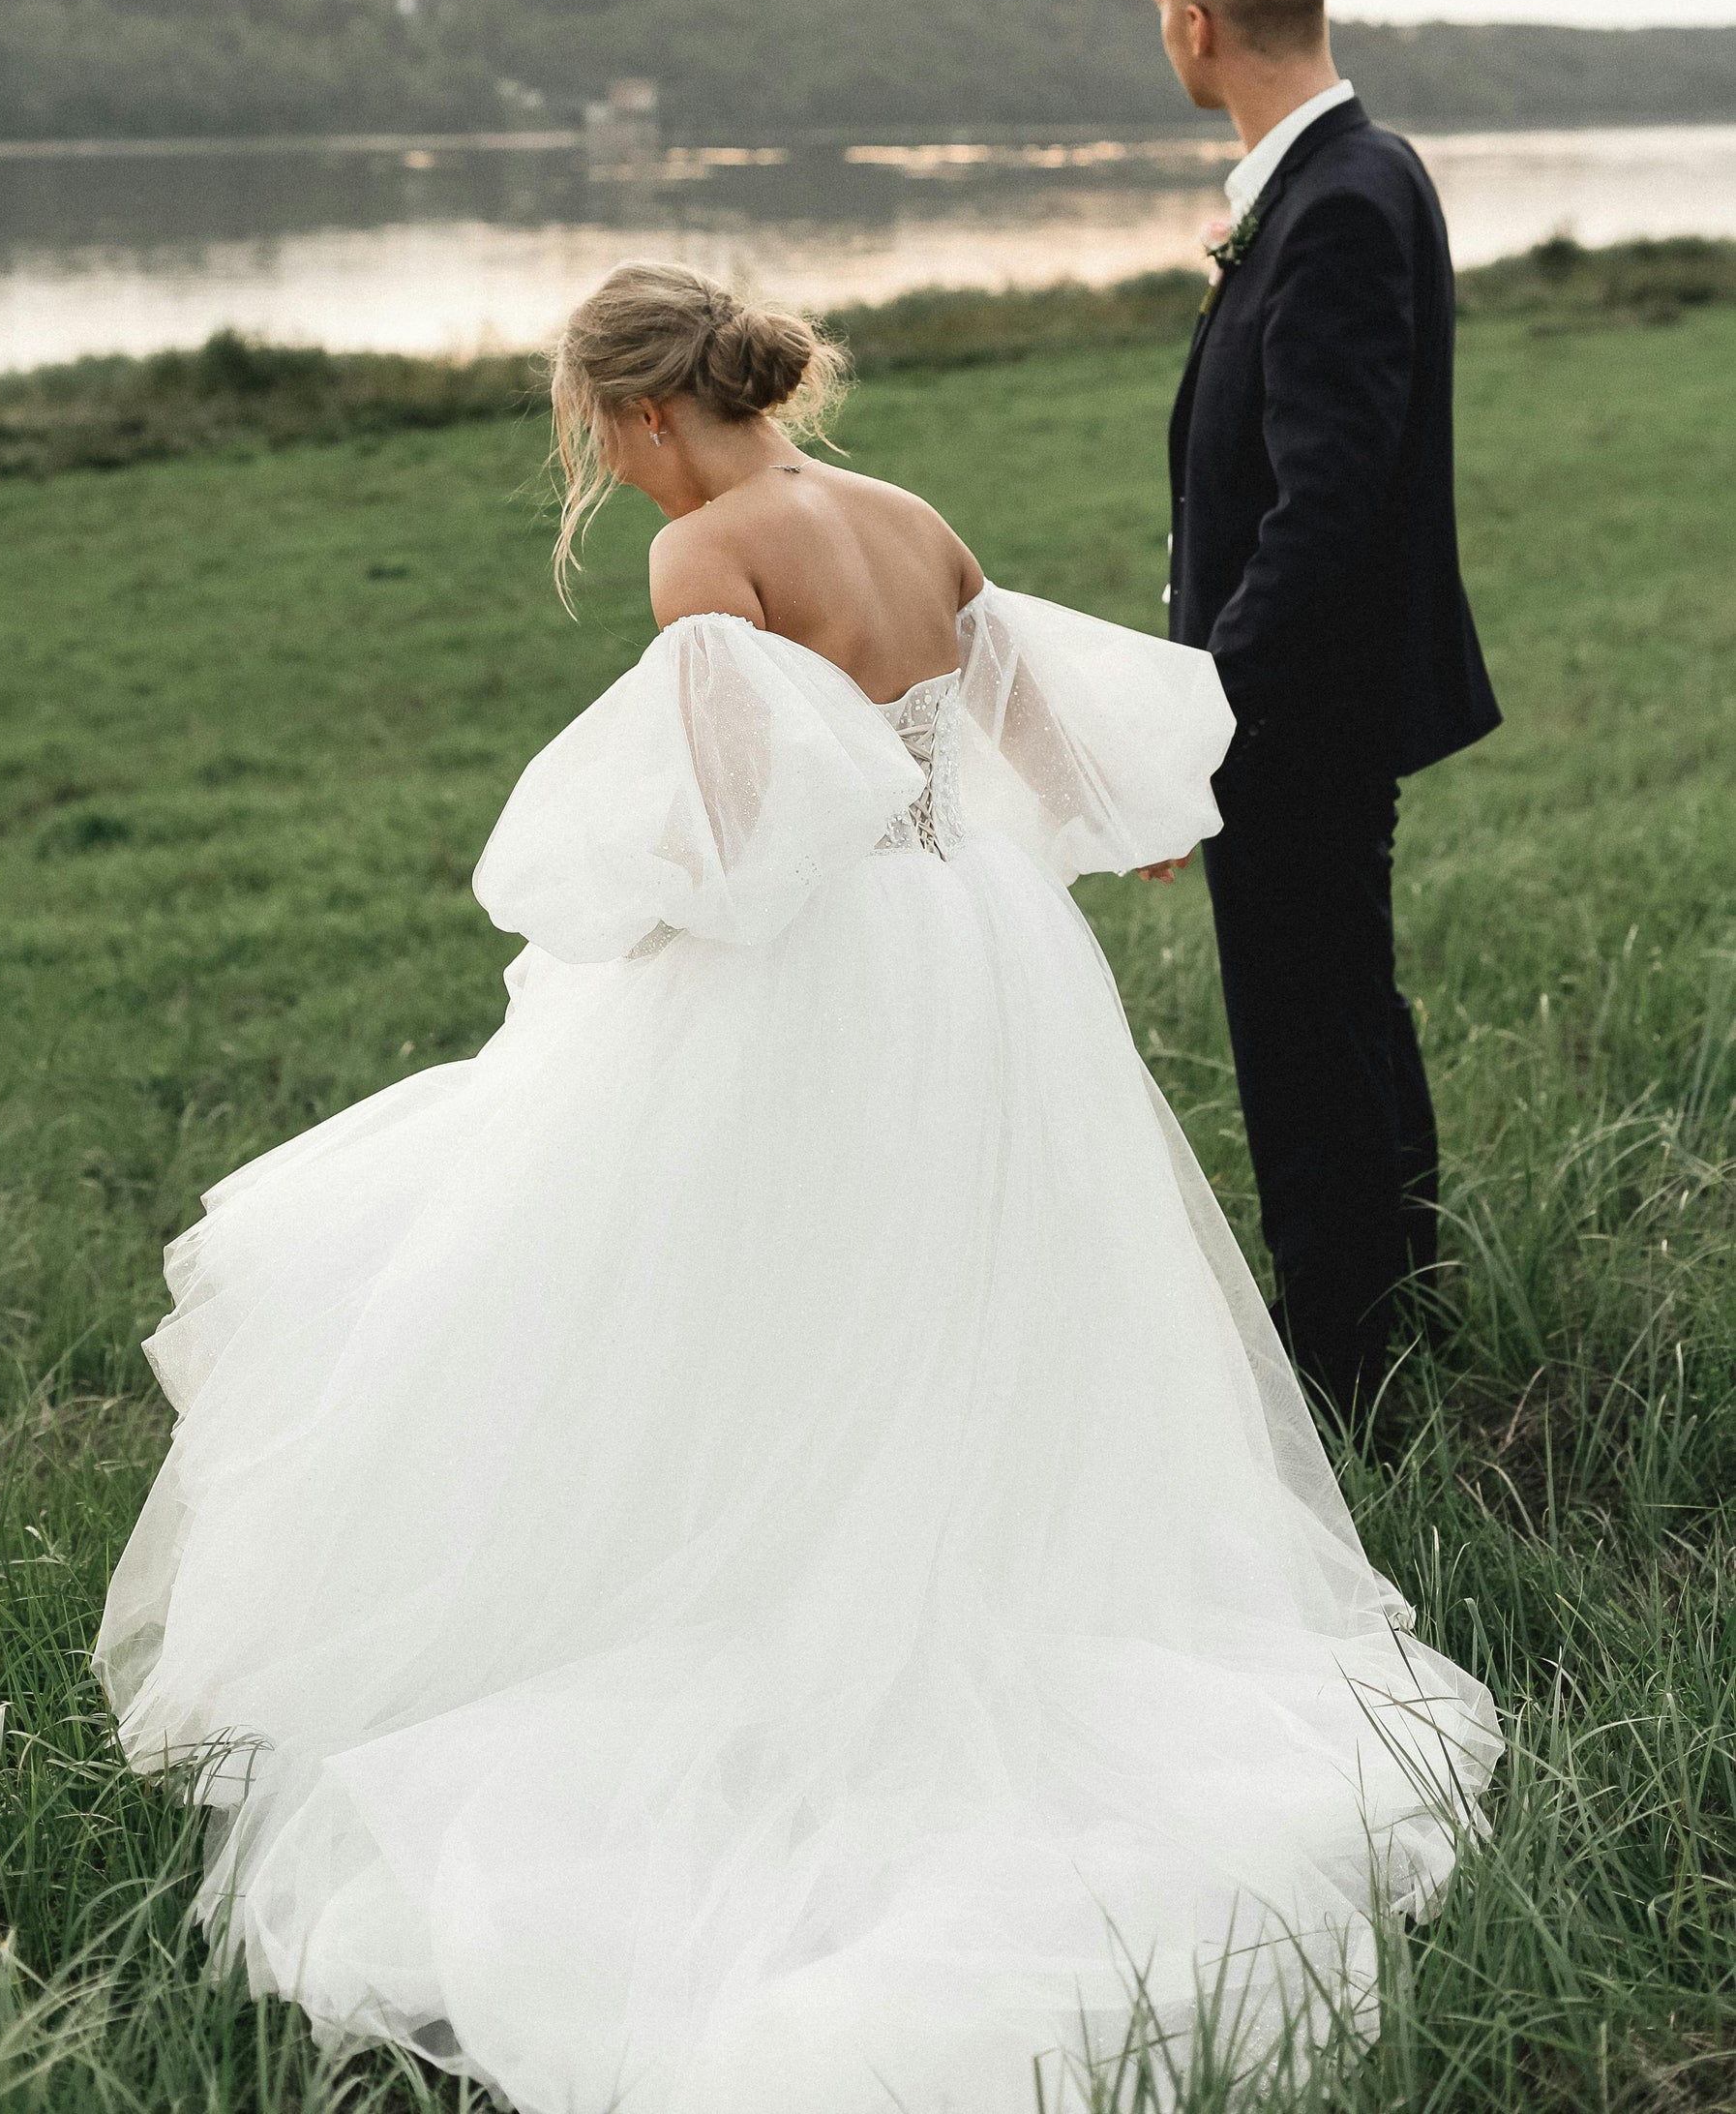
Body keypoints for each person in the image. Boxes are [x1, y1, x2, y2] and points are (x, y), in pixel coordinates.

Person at [97, 262, 1498, 2112]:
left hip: (825, 966)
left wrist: (613, 956)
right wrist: (1079, 825)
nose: (609, 464)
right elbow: (1044, 745)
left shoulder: (709, 558)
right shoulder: (905, 513)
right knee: (951, 1296)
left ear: (636, 415)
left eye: (594, 433)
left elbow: (739, 833)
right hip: (982, 962)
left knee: (720, 1289)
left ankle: (790, 1611)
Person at [1154, 0, 1502, 1424]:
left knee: (1302, 1034)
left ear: (1196, 21)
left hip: (1294, 707)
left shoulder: (1342, 199)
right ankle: (1391, 1308)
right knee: (1341, 1005)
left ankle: (1344, 1373)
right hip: (1314, 694)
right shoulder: (1345, 178)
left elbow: (1324, 500)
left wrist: (1198, 713)